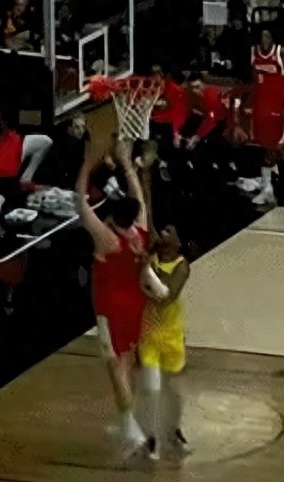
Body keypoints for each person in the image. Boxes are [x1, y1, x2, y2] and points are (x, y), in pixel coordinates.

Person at [76, 137, 163, 457]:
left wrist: (86, 166)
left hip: (110, 306)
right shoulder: (140, 230)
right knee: (129, 360)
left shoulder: (107, 239)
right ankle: (137, 419)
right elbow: (137, 196)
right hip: (136, 304)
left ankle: (130, 428)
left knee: (115, 367)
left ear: (113, 216)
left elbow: (80, 204)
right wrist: (127, 163)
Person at [139, 223, 192, 460]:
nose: (163, 233)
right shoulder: (150, 258)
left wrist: (146, 271)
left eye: (170, 230)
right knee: (151, 387)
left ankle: (174, 428)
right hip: (149, 332)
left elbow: (165, 296)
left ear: (178, 242)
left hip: (171, 335)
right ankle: (151, 437)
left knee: (170, 387)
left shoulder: (182, 266)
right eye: (163, 230)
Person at [235, 29, 284, 206]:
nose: (264, 39)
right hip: (261, 106)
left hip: (279, 106)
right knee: (266, 147)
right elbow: (250, 81)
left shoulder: (281, 52)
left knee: (278, 145)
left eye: (268, 35)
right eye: (262, 35)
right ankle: (272, 187)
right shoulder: (253, 52)